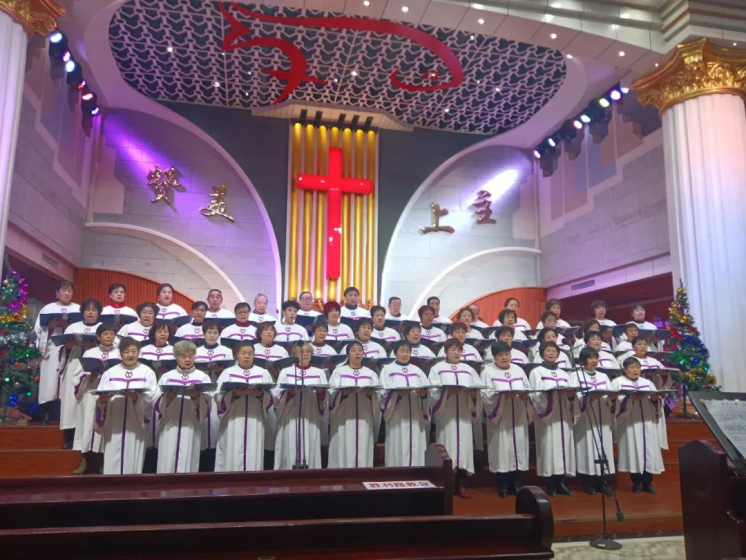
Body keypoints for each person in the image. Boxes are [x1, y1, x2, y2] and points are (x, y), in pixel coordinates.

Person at [93, 337, 157, 474]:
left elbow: (151, 399)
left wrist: (135, 397)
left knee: (132, 461)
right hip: (114, 423)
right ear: (120, 353)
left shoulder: (147, 372)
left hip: (136, 424)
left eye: (134, 351)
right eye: (126, 351)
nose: (130, 355)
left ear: (139, 352)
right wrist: (103, 400)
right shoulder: (110, 373)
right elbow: (100, 398)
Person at [429, 339, 481, 498]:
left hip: (464, 415)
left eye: (459, 350)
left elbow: (479, 390)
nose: (456, 352)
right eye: (452, 349)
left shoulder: (469, 370)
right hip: (447, 416)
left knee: (464, 449)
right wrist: (447, 394)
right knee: (448, 447)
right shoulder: (437, 369)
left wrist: (473, 395)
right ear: (446, 352)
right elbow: (433, 392)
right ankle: (447, 483)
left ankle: (461, 484)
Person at [481, 341, 532, 498]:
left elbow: (528, 390)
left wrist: (525, 396)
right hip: (501, 419)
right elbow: (486, 396)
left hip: (518, 416)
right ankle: (502, 484)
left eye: (506, 354)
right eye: (500, 355)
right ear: (494, 358)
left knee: (518, 450)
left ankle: (516, 483)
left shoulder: (518, 370)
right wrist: (502, 398)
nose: (504, 357)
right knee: (502, 450)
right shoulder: (487, 372)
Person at [214, 341, 274, 472]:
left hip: (255, 419)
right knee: (232, 452)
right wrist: (234, 395)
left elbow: (272, 398)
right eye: (243, 353)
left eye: (250, 354)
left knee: (253, 451)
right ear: (237, 355)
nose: (246, 356)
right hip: (233, 420)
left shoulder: (263, 373)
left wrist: (260, 395)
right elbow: (217, 397)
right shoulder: (227, 373)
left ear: (254, 356)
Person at [154, 340, 213, 473]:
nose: (187, 359)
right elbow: (156, 402)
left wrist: (196, 398)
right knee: (167, 462)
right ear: (176, 357)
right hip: (170, 425)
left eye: (190, 356)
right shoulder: (167, 377)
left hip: (191, 426)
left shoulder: (202, 377)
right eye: (183, 356)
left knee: (189, 461)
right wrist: (168, 398)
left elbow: (209, 403)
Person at [530, 341, 578, 496]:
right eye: (548, 350)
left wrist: (571, 396)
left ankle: (561, 482)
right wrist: (552, 395)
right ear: (542, 353)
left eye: (554, 351)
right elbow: (536, 395)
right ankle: (550, 483)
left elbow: (573, 395)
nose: (551, 353)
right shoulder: (536, 372)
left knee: (564, 449)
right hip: (548, 418)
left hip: (564, 416)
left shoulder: (565, 373)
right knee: (549, 448)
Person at [610, 357, 665, 493]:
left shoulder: (647, 383)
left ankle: (648, 483)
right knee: (633, 451)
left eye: (637, 367)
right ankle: (635, 483)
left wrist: (654, 400)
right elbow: (613, 405)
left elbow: (658, 405)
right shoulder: (617, 383)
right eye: (631, 367)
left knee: (649, 452)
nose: (635, 370)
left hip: (647, 421)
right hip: (629, 423)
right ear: (625, 369)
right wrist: (630, 400)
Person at [70, 324, 119, 475]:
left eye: (111, 334)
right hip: (91, 393)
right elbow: (77, 375)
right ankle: (84, 460)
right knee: (87, 426)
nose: (109, 336)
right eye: (105, 334)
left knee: (106, 426)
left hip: (110, 395)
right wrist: (90, 376)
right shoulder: (90, 352)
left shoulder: (119, 353)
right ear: (98, 337)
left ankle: (104, 461)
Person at [273, 342, 328, 469]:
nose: (305, 354)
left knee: (309, 447)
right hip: (290, 416)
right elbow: (277, 395)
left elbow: (325, 398)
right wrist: (290, 393)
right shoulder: (286, 372)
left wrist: (321, 393)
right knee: (289, 446)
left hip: (310, 416)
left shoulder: (319, 373)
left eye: (308, 352)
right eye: (301, 352)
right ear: (295, 355)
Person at [328, 341, 380, 468]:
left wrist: (370, 395)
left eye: (360, 350)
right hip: (344, 418)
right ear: (348, 354)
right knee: (344, 447)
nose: (357, 353)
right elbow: (330, 394)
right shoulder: (339, 372)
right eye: (354, 350)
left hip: (364, 417)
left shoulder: (370, 373)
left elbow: (378, 396)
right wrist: (343, 395)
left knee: (363, 447)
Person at [34, 281, 80, 425]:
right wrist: (51, 327)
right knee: (49, 382)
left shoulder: (78, 309)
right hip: (52, 348)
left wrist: (68, 326)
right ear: (57, 292)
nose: (67, 293)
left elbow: (82, 328)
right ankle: (46, 413)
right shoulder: (48, 309)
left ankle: (66, 416)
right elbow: (38, 330)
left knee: (68, 381)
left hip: (70, 348)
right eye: (64, 290)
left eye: (70, 291)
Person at [59, 299, 103, 449]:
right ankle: (69, 438)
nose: (90, 312)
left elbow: (111, 346)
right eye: (87, 309)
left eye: (94, 310)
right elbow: (62, 348)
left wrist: (95, 346)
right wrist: (69, 347)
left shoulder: (102, 328)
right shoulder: (73, 327)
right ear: (82, 312)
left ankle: (89, 439)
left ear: (99, 313)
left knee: (89, 403)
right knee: (71, 401)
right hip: (74, 364)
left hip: (94, 368)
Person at [572, 348, 615, 496]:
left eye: (596, 358)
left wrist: (610, 397)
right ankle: (589, 483)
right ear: (583, 360)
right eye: (590, 358)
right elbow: (574, 397)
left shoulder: (603, 376)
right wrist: (588, 398)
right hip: (586, 417)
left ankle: (603, 482)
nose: (594, 361)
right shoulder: (576, 375)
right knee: (588, 449)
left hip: (603, 416)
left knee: (603, 449)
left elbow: (611, 397)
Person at [380, 340, 430, 467]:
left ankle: (417, 477)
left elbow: (426, 391)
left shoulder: (417, 371)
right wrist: (397, 395)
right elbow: (383, 394)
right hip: (397, 416)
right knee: (398, 446)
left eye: (408, 351)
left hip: (416, 416)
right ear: (395, 352)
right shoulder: (388, 370)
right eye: (402, 351)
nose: (405, 354)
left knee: (416, 447)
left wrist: (423, 395)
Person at [195, 321, 234, 470]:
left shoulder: (226, 351)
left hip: (219, 391)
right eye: (209, 332)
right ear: (203, 334)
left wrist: (219, 372)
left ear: (219, 335)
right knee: (205, 427)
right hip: (203, 391)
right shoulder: (197, 351)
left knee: (217, 426)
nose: (212, 335)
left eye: (215, 333)